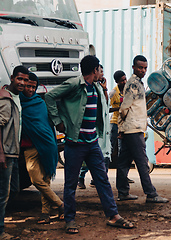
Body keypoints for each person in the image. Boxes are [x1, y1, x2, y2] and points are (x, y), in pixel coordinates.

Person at [45, 55, 134, 234]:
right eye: (99, 70)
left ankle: (113, 216)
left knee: (102, 180)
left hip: (92, 142)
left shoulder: (96, 88)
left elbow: (103, 108)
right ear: (94, 70)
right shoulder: (74, 85)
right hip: (75, 143)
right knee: (70, 184)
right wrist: (58, 122)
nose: (101, 73)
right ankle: (69, 219)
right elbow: (49, 96)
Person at [116, 55, 168, 203]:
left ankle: (123, 192)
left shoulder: (137, 83)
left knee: (124, 162)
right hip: (133, 129)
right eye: (140, 67)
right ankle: (151, 194)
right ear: (134, 67)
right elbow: (124, 107)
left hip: (131, 128)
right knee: (142, 161)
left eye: (145, 68)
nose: (143, 70)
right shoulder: (133, 84)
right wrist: (122, 126)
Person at [20, 72, 64, 224]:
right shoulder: (18, 102)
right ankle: (60, 204)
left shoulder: (40, 102)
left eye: (33, 87)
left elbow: (46, 125)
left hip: (46, 145)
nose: (31, 90)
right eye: (28, 86)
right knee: (36, 179)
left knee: (45, 179)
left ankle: (45, 214)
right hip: (29, 147)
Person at [0, 66, 28, 240]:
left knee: (14, 189)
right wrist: (1, 153)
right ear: (12, 78)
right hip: (6, 152)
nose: (22, 83)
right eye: (19, 79)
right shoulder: (5, 99)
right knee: (3, 193)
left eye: (25, 80)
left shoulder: (16, 97)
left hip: (14, 152)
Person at [77, 64, 111, 189]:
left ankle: (98, 180)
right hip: (93, 128)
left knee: (104, 155)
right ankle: (81, 177)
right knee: (90, 157)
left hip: (103, 128)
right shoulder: (90, 88)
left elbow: (106, 104)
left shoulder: (100, 88)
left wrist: (105, 89)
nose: (101, 74)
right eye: (100, 71)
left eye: (102, 72)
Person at [109, 70, 134, 184]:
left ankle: (124, 176)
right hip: (115, 124)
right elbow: (106, 108)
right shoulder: (113, 93)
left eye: (125, 79)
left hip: (125, 125)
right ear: (117, 82)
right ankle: (98, 177)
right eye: (122, 80)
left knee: (123, 152)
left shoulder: (129, 90)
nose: (125, 81)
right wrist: (119, 109)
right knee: (109, 150)